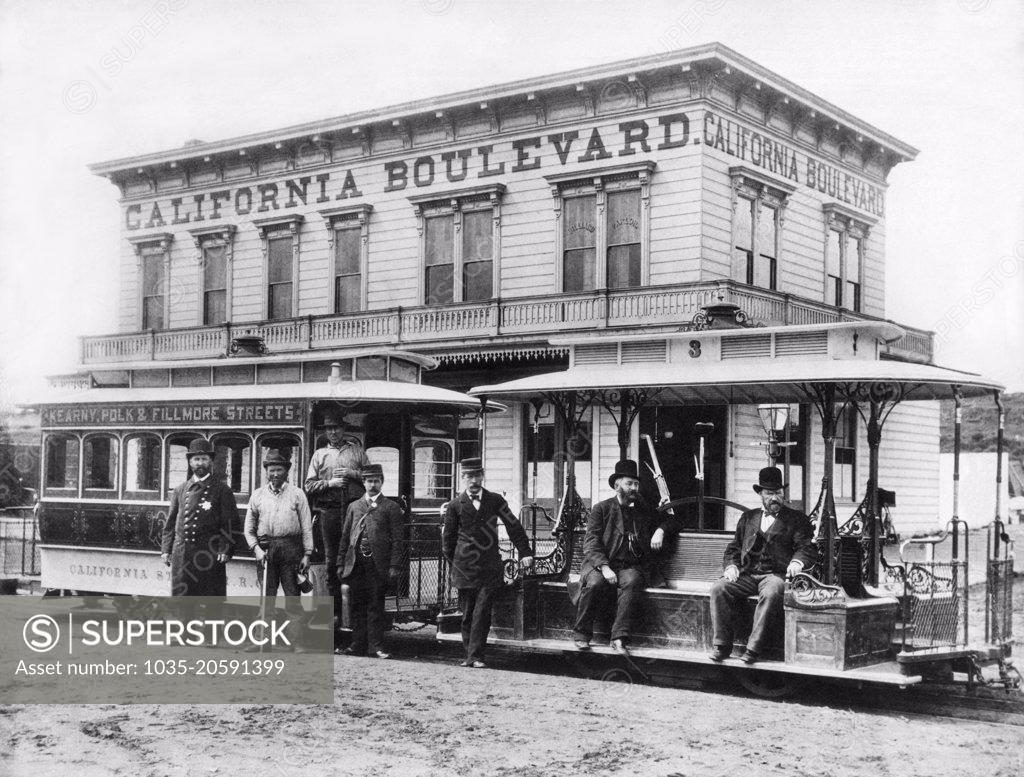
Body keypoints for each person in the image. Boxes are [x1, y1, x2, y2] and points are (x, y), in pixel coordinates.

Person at [709, 466, 817, 665]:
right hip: (748, 574)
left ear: (783, 494)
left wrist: (797, 561)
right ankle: (722, 645)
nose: (774, 498)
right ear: (760, 494)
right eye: (769, 493)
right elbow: (734, 547)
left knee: (772, 592)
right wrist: (731, 566)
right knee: (719, 587)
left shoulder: (797, 519)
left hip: (776, 575)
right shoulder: (748, 518)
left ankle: (753, 648)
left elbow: (806, 547)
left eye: (778, 493)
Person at [572, 459, 681, 654]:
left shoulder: (642, 510)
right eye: (629, 483)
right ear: (617, 485)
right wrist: (604, 568)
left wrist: (661, 530)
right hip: (601, 565)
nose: (634, 488)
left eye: (636, 484)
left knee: (633, 581)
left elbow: (672, 520)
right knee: (595, 583)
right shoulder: (601, 509)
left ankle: (619, 638)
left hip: (628, 567)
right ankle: (582, 634)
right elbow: (591, 542)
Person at [442, 457, 533, 668]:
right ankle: (469, 655)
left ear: (482, 476)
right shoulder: (455, 505)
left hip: (490, 566)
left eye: (477, 475)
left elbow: (514, 527)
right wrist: (455, 563)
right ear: (462, 478)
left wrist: (525, 552)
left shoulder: (495, 500)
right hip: (464, 567)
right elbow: (448, 541)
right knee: (467, 614)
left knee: (482, 612)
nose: (473, 480)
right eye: (469, 476)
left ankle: (476, 656)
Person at [304, 411, 370, 631]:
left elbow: (371, 477)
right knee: (333, 561)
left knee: (355, 559)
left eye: (337, 428)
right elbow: (309, 485)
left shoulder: (356, 451)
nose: (333, 432)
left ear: (344, 429)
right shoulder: (320, 455)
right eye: (329, 429)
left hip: (354, 512)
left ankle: (356, 618)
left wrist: (351, 473)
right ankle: (334, 618)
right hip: (329, 512)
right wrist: (330, 483)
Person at [337, 463, 404, 659]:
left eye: (376, 480)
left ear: (382, 482)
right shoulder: (354, 507)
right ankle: (357, 645)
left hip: (378, 565)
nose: (372, 484)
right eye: (369, 481)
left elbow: (398, 540)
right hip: (356, 564)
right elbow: (345, 537)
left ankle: (376, 646)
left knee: (376, 605)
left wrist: (394, 565)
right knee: (358, 605)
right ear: (363, 483)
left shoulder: (391, 508)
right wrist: (341, 563)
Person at [161, 438, 237, 596]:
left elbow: (229, 522)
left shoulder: (222, 490)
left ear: (210, 462)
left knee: (208, 599)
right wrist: (166, 549)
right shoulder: (180, 490)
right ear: (190, 462)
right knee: (182, 599)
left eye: (204, 459)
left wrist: (225, 548)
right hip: (182, 553)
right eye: (196, 459)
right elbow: (171, 523)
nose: (200, 463)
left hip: (209, 553)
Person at [244, 450, 313, 603]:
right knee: (267, 599)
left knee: (293, 597)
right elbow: (248, 529)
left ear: (287, 471)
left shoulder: (297, 494)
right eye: (272, 470)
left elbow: (307, 527)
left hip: (291, 550)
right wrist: (257, 550)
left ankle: (295, 627)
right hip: (266, 550)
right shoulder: (257, 495)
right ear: (266, 472)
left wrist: (307, 554)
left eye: (279, 470)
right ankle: (267, 627)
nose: (275, 474)